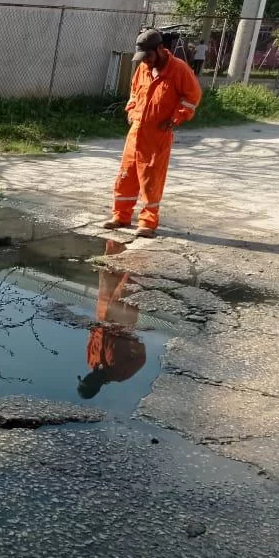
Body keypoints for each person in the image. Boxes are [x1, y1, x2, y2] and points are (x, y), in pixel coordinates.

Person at [103, 29, 202, 238]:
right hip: (136, 131)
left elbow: (192, 96)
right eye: (142, 58)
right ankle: (120, 215)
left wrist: (177, 117)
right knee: (126, 175)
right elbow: (134, 92)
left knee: (151, 179)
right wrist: (131, 110)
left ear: (160, 49)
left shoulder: (179, 70)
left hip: (158, 134)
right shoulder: (142, 69)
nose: (145, 61)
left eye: (148, 56)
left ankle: (147, 222)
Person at [77, 240, 146, 400]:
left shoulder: (90, 361)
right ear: (96, 386)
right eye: (88, 381)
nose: (88, 377)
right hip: (123, 319)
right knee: (128, 281)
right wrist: (135, 342)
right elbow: (140, 359)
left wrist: (93, 327)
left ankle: (115, 244)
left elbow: (92, 339)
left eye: (84, 379)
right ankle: (140, 249)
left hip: (102, 315)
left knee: (107, 274)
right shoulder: (120, 374)